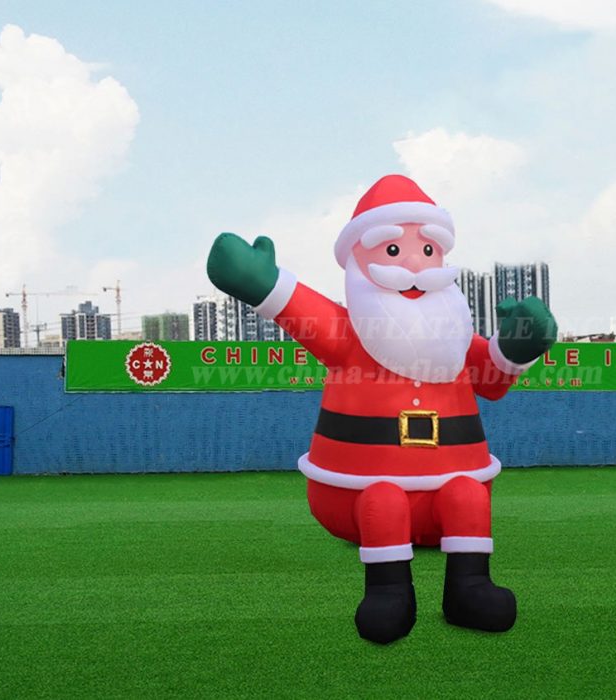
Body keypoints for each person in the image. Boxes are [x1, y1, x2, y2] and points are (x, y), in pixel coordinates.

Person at [207, 174, 557, 644]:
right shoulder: (350, 331)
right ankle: (389, 591)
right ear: (358, 258)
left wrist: (518, 345)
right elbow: (298, 307)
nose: (414, 266)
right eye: (393, 250)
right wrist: (260, 282)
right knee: (384, 500)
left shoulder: (450, 337)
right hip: (354, 494)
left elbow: (491, 381)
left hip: (450, 484)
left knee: (468, 496)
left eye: (428, 250)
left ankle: (470, 587)